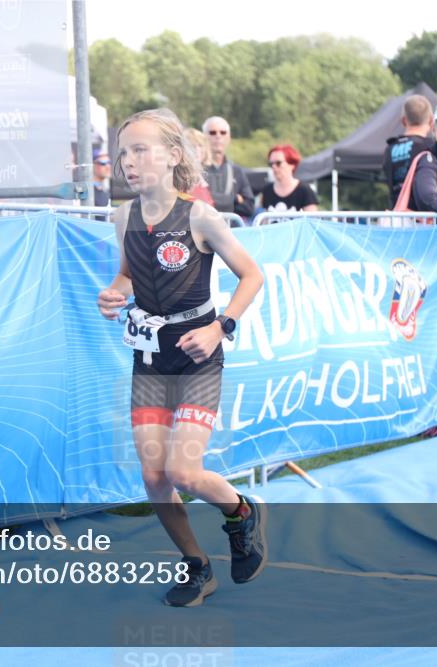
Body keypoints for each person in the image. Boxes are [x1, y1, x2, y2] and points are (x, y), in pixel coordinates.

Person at [96, 108, 266, 608]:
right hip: (150, 359)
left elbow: (252, 275)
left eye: (141, 149)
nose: (129, 161)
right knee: (153, 479)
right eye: (124, 152)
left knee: (184, 473)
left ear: (172, 156)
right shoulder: (122, 215)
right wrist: (114, 292)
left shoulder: (199, 216)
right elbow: (128, 275)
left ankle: (241, 513)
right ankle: (197, 565)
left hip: (198, 357)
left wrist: (220, 327)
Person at [383, 94, 434, 207]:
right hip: (425, 219)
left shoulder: (389, 149)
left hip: (397, 217)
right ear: (431, 121)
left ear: (403, 121)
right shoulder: (431, 147)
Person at [201, 116, 254, 219]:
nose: (218, 136)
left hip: (231, 230)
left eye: (223, 132)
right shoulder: (195, 170)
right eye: (212, 132)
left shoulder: (236, 171)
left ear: (229, 138)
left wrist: (212, 199)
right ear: (204, 137)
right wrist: (235, 199)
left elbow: (249, 207)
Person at [261, 143, 318, 214]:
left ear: (292, 165)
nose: (274, 167)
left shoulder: (305, 190)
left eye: (278, 163)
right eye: (271, 164)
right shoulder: (267, 190)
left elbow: (312, 221)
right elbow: (264, 221)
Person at [182, 127, 214, 205]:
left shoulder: (201, 178)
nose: (197, 150)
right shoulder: (180, 179)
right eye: (192, 146)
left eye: (200, 145)